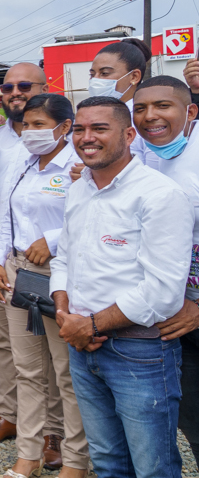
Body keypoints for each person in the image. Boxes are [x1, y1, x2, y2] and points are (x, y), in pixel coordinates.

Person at [52, 95, 193, 478]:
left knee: (154, 468)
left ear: (129, 135)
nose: (86, 138)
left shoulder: (159, 194)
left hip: (139, 352)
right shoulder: (81, 187)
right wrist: (65, 311)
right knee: (108, 463)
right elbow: (64, 257)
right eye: (79, 129)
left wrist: (91, 324)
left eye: (100, 128)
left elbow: (163, 291)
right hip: (82, 345)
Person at [0, 63, 64, 467]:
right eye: (7, 87)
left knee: (49, 352)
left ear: (44, 88)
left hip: (44, 263)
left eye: (25, 86)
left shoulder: (59, 144)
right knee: (1, 341)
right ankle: (11, 415)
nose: (15, 93)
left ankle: (53, 433)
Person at [0, 93, 88, 478]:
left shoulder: (79, 167)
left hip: (58, 275)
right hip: (18, 272)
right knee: (27, 369)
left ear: (64, 127)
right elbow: (5, 215)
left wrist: (53, 239)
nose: (29, 132)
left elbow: (90, 216)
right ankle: (27, 454)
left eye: (39, 125)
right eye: (26, 125)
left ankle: (76, 459)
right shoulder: (24, 164)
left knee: (66, 373)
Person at [131, 75, 199, 463]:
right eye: (140, 108)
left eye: (162, 106)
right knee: (191, 419)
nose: (150, 117)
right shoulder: (150, 155)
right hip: (177, 316)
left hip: (193, 308)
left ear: (189, 111)